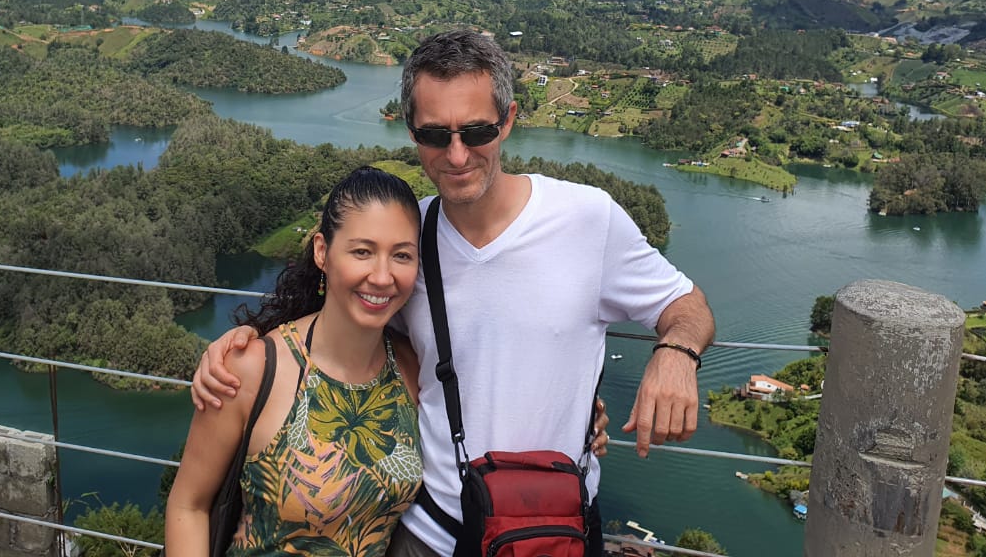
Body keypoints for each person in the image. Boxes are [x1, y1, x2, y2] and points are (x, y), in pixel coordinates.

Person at [194, 31, 715, 557]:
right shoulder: (407, 240)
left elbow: (685, 305)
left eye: (477, 130)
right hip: (430, 532)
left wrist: (675, 353)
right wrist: (246, 344)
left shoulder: (587, 219)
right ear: (412, 132)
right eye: (435, 135)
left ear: (508, 120)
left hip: (554, 529)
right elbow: (339, 319)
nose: (458, 154)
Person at [166, 165, 424, 557]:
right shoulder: (251, 369)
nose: (382, 276)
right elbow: (189, 506)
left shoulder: (409, 369)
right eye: (362, 252)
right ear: (322, 251)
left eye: (401, 255)